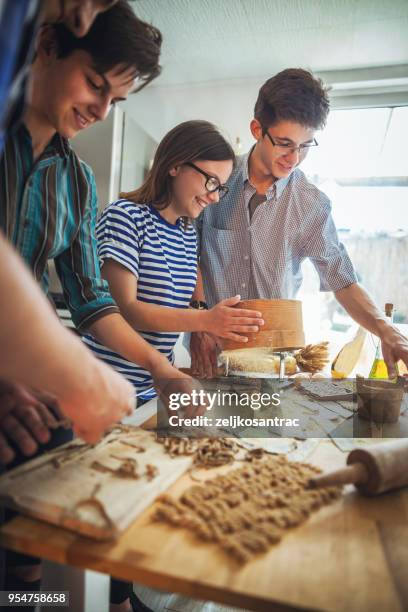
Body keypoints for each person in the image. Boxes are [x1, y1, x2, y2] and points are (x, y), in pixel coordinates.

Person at [191, 68, 408, 378]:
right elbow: (190, 253)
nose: (294, 158)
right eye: (284, 143)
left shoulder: (312, 204)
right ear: (257, 129)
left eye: (306, 145)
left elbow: (342, 279)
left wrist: (386, 329)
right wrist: (198, 321)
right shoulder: (216, 180)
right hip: (211, 349)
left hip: (276, 360)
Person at [83, 120, 264, 398]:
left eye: (221, 188)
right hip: (103, 385)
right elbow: (126, 310)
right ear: (175, 165)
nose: (215, 197)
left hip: (152, 390)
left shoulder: (186, 233)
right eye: (211, 181)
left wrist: (207, 321)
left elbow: (181, 292)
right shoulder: (125, 216)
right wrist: (205, 320)